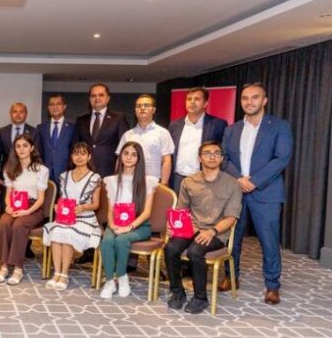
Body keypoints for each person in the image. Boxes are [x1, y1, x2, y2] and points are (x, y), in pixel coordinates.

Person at [220, 82, 292, 305]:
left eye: (254, 97)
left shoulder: (279, 126)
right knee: (233, 239)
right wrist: (239, 179)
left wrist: (254, 181)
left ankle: (272, 286)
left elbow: (281, 158)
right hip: (236, 192)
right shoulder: (232, 129)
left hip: (267, 193)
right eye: (245, 98)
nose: (249, 102)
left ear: (264, 100)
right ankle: (231, 277)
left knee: (269, 241)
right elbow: (224, 158)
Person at [164, 140, 241, 314]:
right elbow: (181, 210)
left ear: (221, 159)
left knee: (195, 251)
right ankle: (177, 293)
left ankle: (200, 298)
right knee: (170, 248)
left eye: (216, 153)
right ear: (199, 158)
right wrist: (174, 227)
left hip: (217, 232)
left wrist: (212, 231)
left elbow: (231, 217)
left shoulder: (232, 184)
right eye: (207, 153)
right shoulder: (189, 182)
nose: (212, 156)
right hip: (191, 227)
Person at [99, 141, 158, 299]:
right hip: (116, 223)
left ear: (139, 159)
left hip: (139, 225)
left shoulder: (148, 181)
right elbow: (110, 209)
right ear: (120, 156)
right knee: (107, 241)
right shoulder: (111, 180)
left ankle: (122, 276)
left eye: (133, 154)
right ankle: (110, 281)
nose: (129, 157)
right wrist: (112, 225)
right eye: (126, 153)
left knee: (121, 240)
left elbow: (147, 212)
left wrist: (129, 227)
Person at [42, 142, 102, 290]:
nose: (79, 157)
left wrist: (83, 207)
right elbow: (62, 199)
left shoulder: (95, 178)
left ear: (89, 157)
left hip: (85, 218)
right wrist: (57, 206)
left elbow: (96, 204)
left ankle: (64, 274)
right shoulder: (64, 176)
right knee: (57, 231)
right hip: (65, 217)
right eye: (76, 153)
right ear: (71, 156)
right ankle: (57, 272)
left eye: (83, 153)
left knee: (68, 233)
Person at [0, 134, 49, 285]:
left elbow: (41, 199)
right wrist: (8, 207)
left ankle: (18, 268)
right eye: (18, 146)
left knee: (19, 225)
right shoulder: (10, 168)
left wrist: (27, 211)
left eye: (25, 146)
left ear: (31, 148)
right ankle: (4, 266)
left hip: (33, 208)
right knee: (3, 223)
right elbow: (8, 194)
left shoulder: (41, 170)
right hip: (15, 205)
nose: (21, 149)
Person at [168, 87, 227, 194]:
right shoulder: (175, 125)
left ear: (205, 104)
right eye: (189, 99)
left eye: (197, 99)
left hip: (204, 179)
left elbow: (223, 153)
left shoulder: (218, 124)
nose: (192, 102)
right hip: (177, 180)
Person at [116, 94, 174, 185]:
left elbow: (167, 160)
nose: (142, 108)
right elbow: (119, 160)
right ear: (135, 111)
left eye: (146, 105)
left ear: (153, 110)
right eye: (139, 106)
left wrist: (164, 184)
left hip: (154, 182)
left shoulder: (163, 133)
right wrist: (117, 181)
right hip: (130, 182)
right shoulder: (127, 135)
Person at [75, 83, 129, 178]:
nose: (97, 98)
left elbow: (124, 146)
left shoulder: (119, 118)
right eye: (93, 96)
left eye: (101, 95)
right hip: (85, 170)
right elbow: (76, 146)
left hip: (110, 171)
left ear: (108, 98)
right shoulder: (81, 120)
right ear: (90, 99)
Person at [35, 94, 75, 184]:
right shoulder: (41, 128)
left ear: (64, 107)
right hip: (45, 174)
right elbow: (38, 151)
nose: (55, 107)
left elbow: (74, 150)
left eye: (58, 104)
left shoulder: (73, 127)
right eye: (52, 104)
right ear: (48, 108)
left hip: (66, 173)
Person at [0, 103, 36, 187]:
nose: (18, 114)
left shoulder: (34, 132)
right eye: (15, 112)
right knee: (7, 195)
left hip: (28, 174)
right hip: (6, 174)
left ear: (26, 114)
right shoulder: (2, 131)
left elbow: (36, 155)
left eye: (21, 112)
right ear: (10, 114)